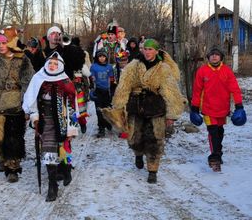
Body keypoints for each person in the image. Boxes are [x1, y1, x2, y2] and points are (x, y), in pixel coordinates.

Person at [106, 39, 186, 183]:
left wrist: (171, 114)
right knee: (134, 137)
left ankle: (153, 170)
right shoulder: (133, 66)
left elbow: (170, 91)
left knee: (155, 140)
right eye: (145, 49)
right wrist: (119, 107)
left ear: (156, 51)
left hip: (155, 108)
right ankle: (138, 153)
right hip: (135, 107)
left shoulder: (163, 69)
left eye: (150, 49)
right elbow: (124, 87)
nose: (147, 52)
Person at [23, 52, 78, 202]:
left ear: (60, 65)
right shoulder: (38, 78)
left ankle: (67, 170)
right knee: (47, 150)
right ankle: (52, 185)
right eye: (50, 63)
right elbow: (31, 100)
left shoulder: (66, 82)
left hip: (62, 119)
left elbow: (72, 105)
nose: (52, 66)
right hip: (45, 119)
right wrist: (34, 118)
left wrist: (71, 128)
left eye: (55, 64)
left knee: (64, 148)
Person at [0, 27, 34, 183]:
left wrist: (27, 106)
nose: (1, 46)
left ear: (11, 42)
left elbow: (28, 84)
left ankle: (12, 168)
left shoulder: (23, 59)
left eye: (4, 42)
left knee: (13, 137)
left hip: (16, 103)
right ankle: (3, 157)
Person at [190, 46, 246, 172]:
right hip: (208, 109)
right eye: (212, 54)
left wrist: (239, 106)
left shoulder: (227, 71)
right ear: (208, 57)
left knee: (220, 132)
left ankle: (218, 153)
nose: (214, 56)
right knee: (213, 132)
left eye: (217, 54)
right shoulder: (202, 71)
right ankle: (214, 158)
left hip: (223, 109)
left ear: (221, 57)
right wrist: (194, 108)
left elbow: (235, 89)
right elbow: (197, 91)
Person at [90, 49, 115, 137]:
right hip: (98, 91)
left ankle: (108, 123)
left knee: (107, 109)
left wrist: (112, 90)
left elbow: (112, 79)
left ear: (106, 57)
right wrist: (92, 89)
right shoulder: (94, 66)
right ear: (97, 57)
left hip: (107, 91)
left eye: (103, 56)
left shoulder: (109, 67)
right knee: (99, 111)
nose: (102, 58)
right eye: (100, 56)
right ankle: (101, 129)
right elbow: (91, 78)